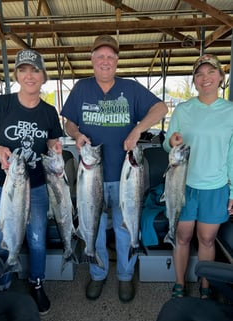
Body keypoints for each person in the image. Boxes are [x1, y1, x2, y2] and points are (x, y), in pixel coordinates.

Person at [61, 34, 168, 302]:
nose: (105, 61)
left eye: (110, 56)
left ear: (117, 61)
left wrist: (137, 130)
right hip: (91, 176)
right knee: (93, 227)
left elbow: (161, 107)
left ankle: (124, 275)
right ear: (92, 60)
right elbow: (68, 122)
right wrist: (75, 135)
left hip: (125, 176)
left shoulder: (130, 88)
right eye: (100, 56)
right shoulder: (81, 88)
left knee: (124, 227)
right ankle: (97, 274)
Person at [0, 49, 63, 315]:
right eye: (24, 70)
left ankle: (37, 283)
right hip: (2, 186)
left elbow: (51, 142)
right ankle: (1, 283)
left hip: (36, 185)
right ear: (16, 74)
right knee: (2, 236)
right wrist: (1, 151)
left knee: (37, 239)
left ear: (43, 76)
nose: (29, 75)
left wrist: (56, 147)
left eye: (35, 70)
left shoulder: (49, 112)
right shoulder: (0, 104)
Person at [163, 54, 233, 299]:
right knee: (182, 236)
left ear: (221, 77)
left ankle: (205, 285)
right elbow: (166, 143)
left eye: (211, 72)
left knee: (206, 238)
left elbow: (232, 155)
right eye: (199, 74)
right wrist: (171, 141)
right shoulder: (183, 110)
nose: (206, 78)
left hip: (216, 187)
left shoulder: (230, 111)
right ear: (194, 80)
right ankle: (180, 284)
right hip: (184, 186)